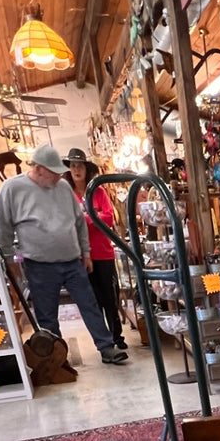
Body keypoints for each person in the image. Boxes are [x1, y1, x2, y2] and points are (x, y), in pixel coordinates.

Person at [0, 143, 127, 365]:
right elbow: (3, 228)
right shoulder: (12, 189)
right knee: (47, 315)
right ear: (37, 169)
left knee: (90, 304)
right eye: (53, 172)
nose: (59, 176)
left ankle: (106, 347)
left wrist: (85, 253)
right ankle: (56, 357)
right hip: (39, 264)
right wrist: (9, 262)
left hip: (72, 260)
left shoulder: (63, 188)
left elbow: (79, 223)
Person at [63, 147, 125, 349]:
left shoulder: (98, 192)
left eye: (80, 165)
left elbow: (108, 217)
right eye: (73, 166)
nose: (76, 169)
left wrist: (85, 219)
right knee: (93, 300)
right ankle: (104, 341)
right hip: (81, 254)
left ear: (86, 169)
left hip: (103, 252)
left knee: (110, 298)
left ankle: (117, 336)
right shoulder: (67, 195)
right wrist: (92, 219)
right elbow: (70, 221)